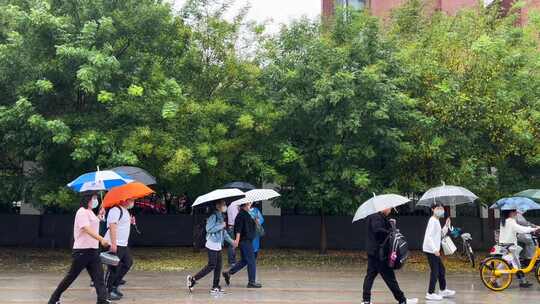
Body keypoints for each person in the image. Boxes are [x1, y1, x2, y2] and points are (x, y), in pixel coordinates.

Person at [48, 193, 110, 304]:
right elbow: (86, 229)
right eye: (94, 198)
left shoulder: (90, 212)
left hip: (93, 250)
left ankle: (102, 301)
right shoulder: (81, 211)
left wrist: (99, 217)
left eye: (96, 198)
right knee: (71, 277)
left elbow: (92, 224)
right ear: (88, 199)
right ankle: (53, 299)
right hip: (82, 251)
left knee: (99, 278)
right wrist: (101, 239)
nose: (96, 200)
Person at [362, 208, 417, 304]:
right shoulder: (376, 217)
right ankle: (402, 300)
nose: (390, 210)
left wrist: (391, 223)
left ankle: (366, 300)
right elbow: (378, 231)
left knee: (370, 276)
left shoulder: (377, 216)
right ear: (383, 207)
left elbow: (381, 228)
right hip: (379, 254)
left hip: (374, 253)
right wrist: (391, 231)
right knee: (390, 278)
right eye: (389, 208)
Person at [187, 200, 235, 294]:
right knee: (211, 265)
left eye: (225, 204)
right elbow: (209, 229)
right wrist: (221, 225)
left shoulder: (221, 216)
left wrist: (232, 241)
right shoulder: (213, 216)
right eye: (223, 205)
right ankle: (193, 279)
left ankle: (215, 286)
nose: (225, 206)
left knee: (218, 266)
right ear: (217, 206)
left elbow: (223, 233)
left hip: (218, 245)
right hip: (212, 244)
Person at [222, 202, 262, 288]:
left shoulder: (247, 214)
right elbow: (238, 230)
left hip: (248, 240)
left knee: (245, 260)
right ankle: (251, 282)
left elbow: (253, 226)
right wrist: (237, 241)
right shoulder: (240, 215)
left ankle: (228, 273)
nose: (250, 205)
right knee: (251, 260)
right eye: (249, 204)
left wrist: (255, 220)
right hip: (245, 241)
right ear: (245, 205)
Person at [422, 202, 455, 301]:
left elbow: (440, 234)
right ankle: (430, 293)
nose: (440, 210)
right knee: (435, 271)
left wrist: (446, 225)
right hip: (431, 250)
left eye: (441, 208)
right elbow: (429, 237)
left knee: (441, 270)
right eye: (438, 208)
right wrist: (434, 249)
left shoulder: (436, 220)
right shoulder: (432, 220)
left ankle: (443, 290)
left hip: (434, 250)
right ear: (432, 209)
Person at [499, 209, 540, 288]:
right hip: (510, 246)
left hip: (505, 244)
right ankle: (493, 279)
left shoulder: (504, 221)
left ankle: (523, 281)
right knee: (510, 264)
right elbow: (520, 229)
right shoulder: (511, 221)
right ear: (510, 213)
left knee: (510, 263)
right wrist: (533, 229)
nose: (516, 213)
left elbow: (516, 229)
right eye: (514, 211)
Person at [104, 199, 135, 300]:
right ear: (124, 200)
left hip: (123, 244)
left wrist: (130, 222)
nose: (132, 201)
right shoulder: (115, 210)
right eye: (131, 199)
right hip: (116, 243)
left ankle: (114, 286)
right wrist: (113, 243)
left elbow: (121, 225)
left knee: (128, 263)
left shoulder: (125, 211)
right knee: (113, 268)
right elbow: (112, 226)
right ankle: (107, 291)